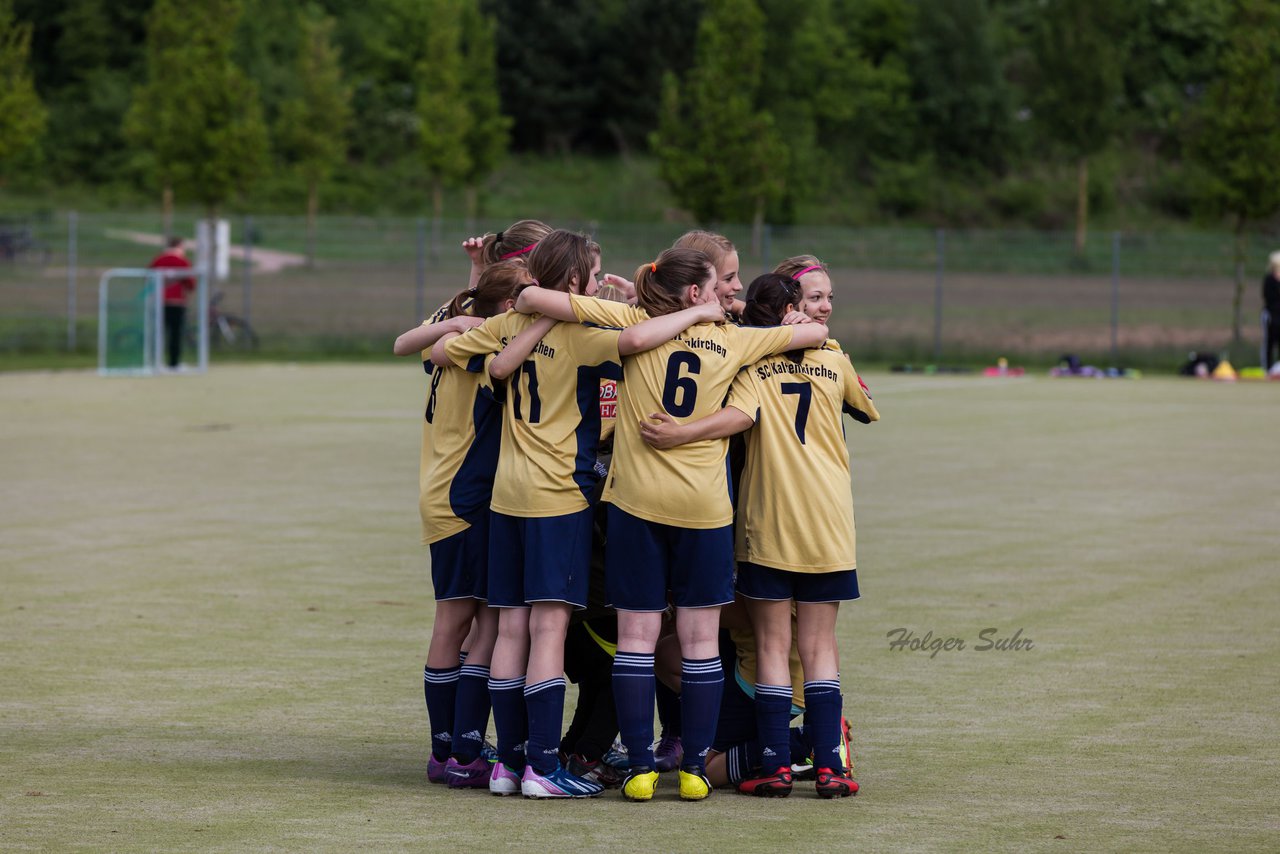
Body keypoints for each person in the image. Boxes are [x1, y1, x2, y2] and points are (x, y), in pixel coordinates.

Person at [516, 247, 829, 802]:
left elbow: (532, 297)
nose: (719, 298)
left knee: (637, 639)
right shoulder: (732, 338)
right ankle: (693, 772)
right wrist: (797, 321)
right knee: (700, 641)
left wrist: (665, 312)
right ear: (694, 293)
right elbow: (809, 339)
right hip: (704, 511)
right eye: (713, 289)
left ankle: (639, 770)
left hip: (635, 506)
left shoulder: (637, 322)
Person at [437, 229, 699, 799]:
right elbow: (639, 339)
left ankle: (507, 766)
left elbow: (439, 352)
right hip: (559, 498)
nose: (601, 280)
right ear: (576, 283)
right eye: (595, 273)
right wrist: (688, 315)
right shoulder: (586, 337)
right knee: (548, 628)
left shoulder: (506, 326)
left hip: (505, 496)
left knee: (510, 628)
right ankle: (542, 766)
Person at [640, 272, 878, 798]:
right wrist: (826, 344)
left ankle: (773, 764)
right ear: (795, 310)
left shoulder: (750, 365)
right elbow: (866, 407)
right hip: (828, 526)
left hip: (768, 524)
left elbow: (737, 416)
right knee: (819, 646)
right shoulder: (833, 358)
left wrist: (679, 433)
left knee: (771, 646)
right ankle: (830, 766)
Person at [393, 260, 544, 790]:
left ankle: (445, 751)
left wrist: (469, 292)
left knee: (452, 623)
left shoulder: (457, 316)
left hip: (439, 492)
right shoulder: (487, 344)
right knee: (482, 626)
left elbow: (405, 342)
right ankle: (462, 750)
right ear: (509, 308)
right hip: (469, 498)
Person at [149, 237, 195, 368]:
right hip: (177, 302)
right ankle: (173, 363)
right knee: (175, 333)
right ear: (180, 247)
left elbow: (148, 276)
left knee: (158, 332)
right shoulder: (182, 261)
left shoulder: (158, 259)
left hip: (159, 302)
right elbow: (191, 284)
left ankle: (155, 361)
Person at [773, 255, 833, 324]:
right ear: (788, 305)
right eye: (816, 297)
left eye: (830, 297)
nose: (827, 308)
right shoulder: (764, 333)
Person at [1263, 251, 1280, 370]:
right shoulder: (1269, 280)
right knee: (1269, 344)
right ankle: (1268, 369)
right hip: (1271, 317)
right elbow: (1268, 297)